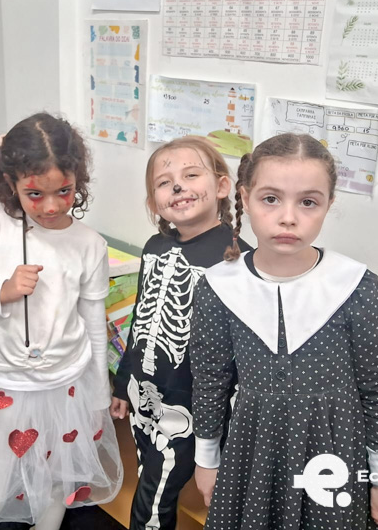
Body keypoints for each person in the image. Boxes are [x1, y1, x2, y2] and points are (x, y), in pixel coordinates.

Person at [189, 133, 378, 529]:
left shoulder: (356, 286)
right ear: (244, 198)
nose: (288, 217)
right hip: (253, 450)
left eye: (308, 202)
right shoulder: (218, 286)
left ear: (328, 205)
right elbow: (211, 382)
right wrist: (207, 460)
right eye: (270, 198)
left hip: (333, 451)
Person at [0, 113, 122, 530]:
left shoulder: (90, 244)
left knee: (54, 489)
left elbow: (93, 321)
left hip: (67, 388)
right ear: (11, 183)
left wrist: (98, 394)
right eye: (35, 194)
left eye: (64, 191)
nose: (52, 205)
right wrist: (1, 291)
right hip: (5, 385)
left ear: (78, 180)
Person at [109, 136, 250, 530]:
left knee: (155, 495)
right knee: (150, 475)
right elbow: (141, 320)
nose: (177, 186)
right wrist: (122, 385)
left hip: (191, 407)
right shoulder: (154, 247)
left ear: (222, 186)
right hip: (144, 393)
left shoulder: (237, 259)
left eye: (191, 175)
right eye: (164, 182)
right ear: (154, 202)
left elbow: (243, 353)